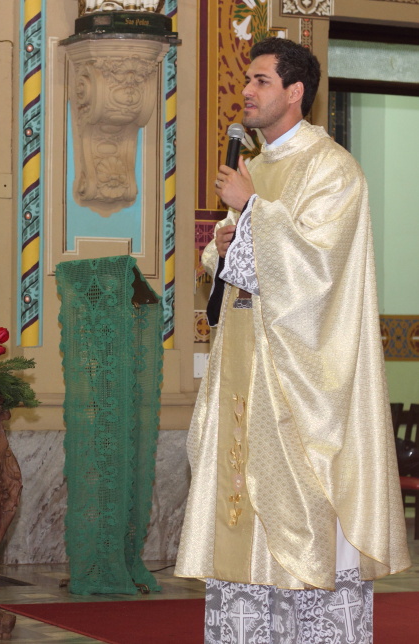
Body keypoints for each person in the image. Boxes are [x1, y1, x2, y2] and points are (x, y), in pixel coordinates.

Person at [175, 37, 410, 643]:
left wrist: (252, 210)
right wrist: (223, 246)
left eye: (260, 81)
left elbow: (321, 272)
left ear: (295, 92)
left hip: (300, 383)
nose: (246, 92)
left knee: (300, 515)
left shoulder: (333, 169)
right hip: (244, 373)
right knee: (241, 516)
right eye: (246, 81)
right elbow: (226, 256)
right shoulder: (256, 166)